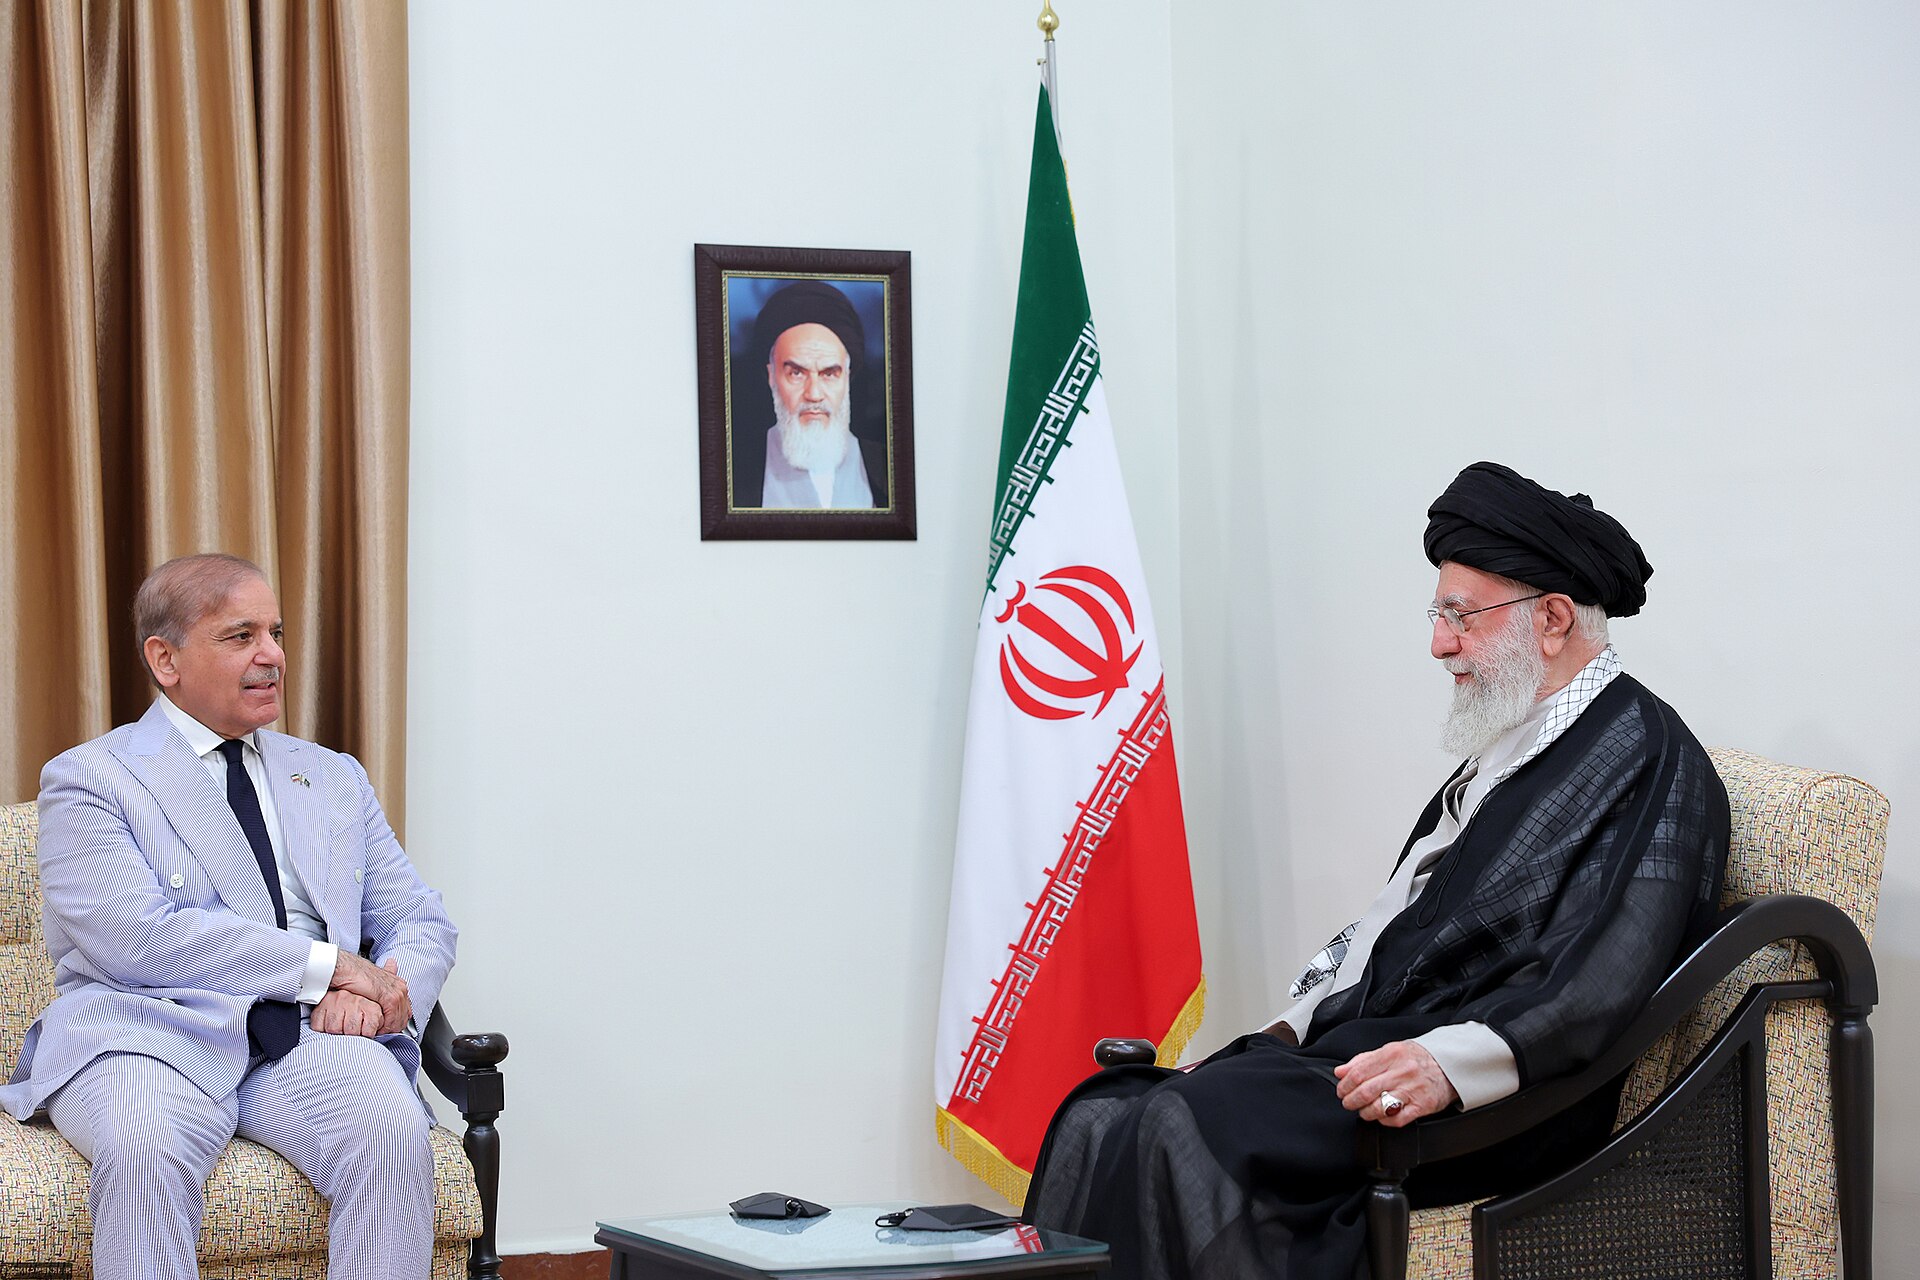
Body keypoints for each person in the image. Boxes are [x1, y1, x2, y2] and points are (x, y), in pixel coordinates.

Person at [1023, 462, 1730, 1280]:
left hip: (1505, 1095)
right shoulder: (1514, 741)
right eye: (1438, 613)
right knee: (1103, 1111)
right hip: (1383, 1050)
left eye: (1461, 616)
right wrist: (1281, 1033)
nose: (1438, 642)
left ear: (1554, 620)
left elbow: (1598, 982)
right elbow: (1387, 924)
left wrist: (1444, 1064)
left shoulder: (1645, 756)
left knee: (1182, 1121)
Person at [0, 553, 457, 1280]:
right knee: (145, 1147)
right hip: (146, 1030)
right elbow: (137, 938)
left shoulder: (331, 774)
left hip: (309, 1031)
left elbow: (418, 916)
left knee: (391, 1128)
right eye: (241, 636)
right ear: (165, 658)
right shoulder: (89, 779)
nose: (273, 655)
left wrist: (382, 995)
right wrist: (332, 967)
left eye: (275, 632)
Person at [730, 279, 889, 510]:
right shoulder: (733, 470)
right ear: (772, 376)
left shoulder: (888, 467)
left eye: (829, 374)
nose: (814, 394)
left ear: (847, 376)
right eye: (796, 373)